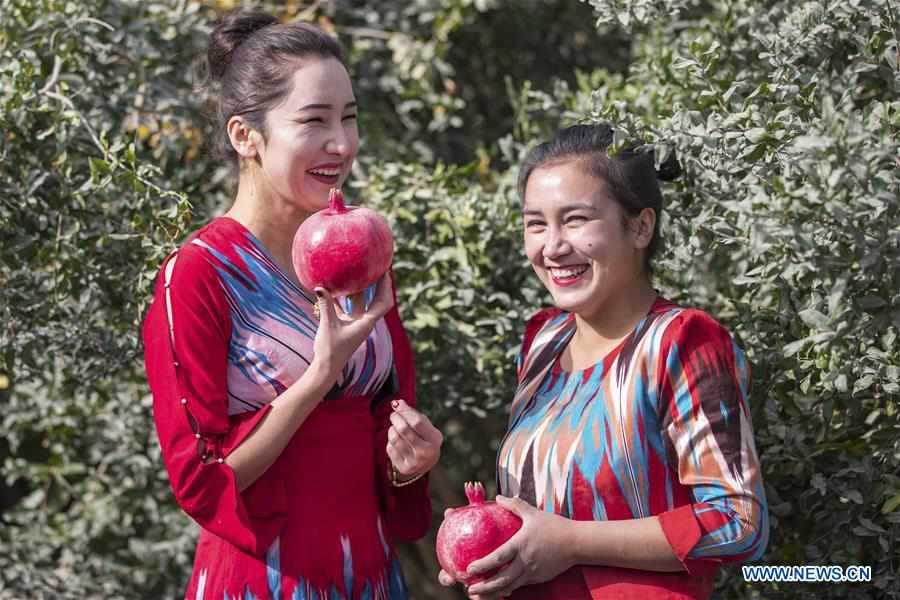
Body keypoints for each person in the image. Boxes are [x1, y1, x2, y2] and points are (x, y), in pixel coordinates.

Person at [142, 11, 442, 600]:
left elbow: (387, 414)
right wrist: (319, 375)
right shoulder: (198, 275)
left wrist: (411, 459)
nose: (342, 144)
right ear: (244, 136)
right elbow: (204, 481)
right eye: (314, 121)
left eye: (350, 119)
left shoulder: (360, 253)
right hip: (266, 579)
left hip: (371, 574)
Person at [439, 123, 768, 599]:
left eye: (575, 220)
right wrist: (487, 539)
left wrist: (571, 543)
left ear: (640, 226)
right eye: (536, 223)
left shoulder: (681, 343)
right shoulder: (542, 342)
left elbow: (739, 522)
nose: (551, 247)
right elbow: (551, 512)